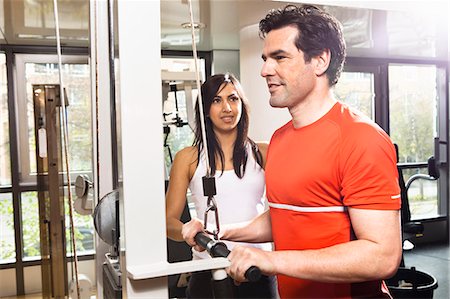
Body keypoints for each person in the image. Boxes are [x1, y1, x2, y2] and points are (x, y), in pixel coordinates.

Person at [184, 5, 402, 298]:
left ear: (320, 60)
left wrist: (271, 261)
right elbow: (284, 218)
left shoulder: (361, 138)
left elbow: (382, 256)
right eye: (265, 59)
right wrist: (220, 232)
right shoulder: (281, 139)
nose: (265, 70)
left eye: (280, 57)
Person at [165, 73, 276, 298]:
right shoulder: (188, 158)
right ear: (206, 109)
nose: (227, 107)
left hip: (256, 268)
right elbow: (168, 223)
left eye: (233, 99)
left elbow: (283, 212)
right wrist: (189, 232)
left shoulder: (263, 153)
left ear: (242, 106)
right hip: (206, 270)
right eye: (217, 100)